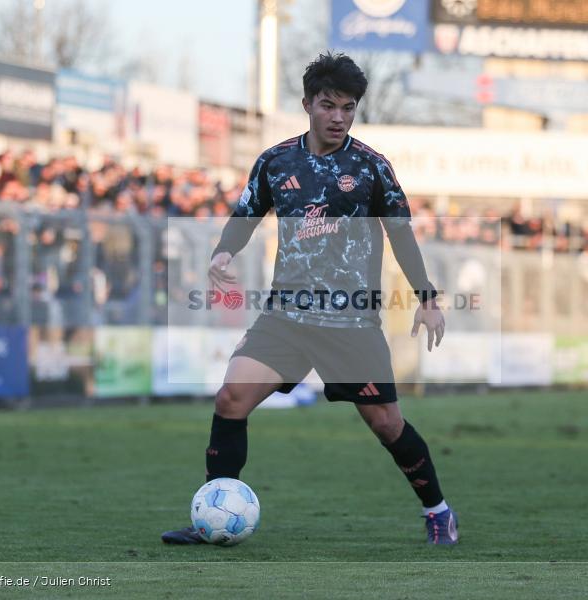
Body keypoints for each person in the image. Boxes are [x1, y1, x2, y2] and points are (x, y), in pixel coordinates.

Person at [162, 52, 457, 546]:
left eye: (348, 107)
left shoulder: (370, 167)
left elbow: (402, 236)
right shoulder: (276, 162)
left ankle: (439, 511)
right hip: (286, 317)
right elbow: (246, 214)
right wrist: (222, 254)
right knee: (231, 398)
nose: (339, 116)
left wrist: (426, 296)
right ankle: (213, 514)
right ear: (307, 104)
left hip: (350, 323)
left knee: (386, 423)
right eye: (328, 105)